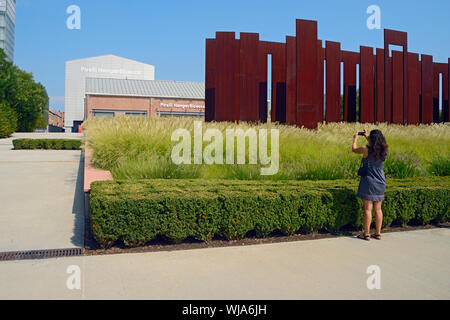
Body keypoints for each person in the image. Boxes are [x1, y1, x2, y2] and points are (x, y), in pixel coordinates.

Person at [352, 129, 388, 241]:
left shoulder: (365, 149)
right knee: (378, 209)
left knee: (368, 209)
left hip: (368, 181)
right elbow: (376, 145)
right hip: (380, 182)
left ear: (371, 139)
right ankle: (378, 234)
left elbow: (354, 149)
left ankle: (366, 234)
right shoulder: (384, 150)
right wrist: (368, 136)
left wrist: (355, 138)